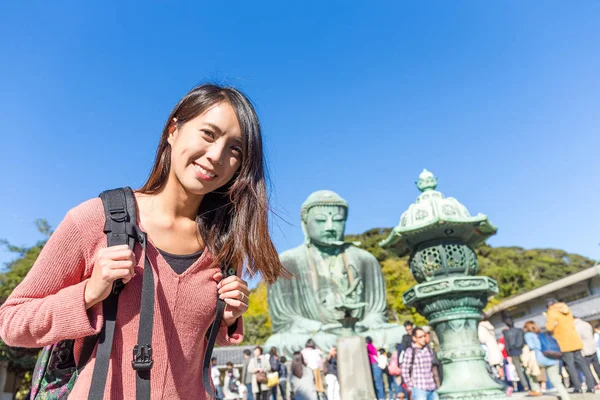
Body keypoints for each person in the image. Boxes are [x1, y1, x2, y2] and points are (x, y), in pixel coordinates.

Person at [0, 84, 285, 399]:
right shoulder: (97, 221)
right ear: (173, 130)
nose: (216, 156)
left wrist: (227, 317)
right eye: (208, 134)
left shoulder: (224, 247)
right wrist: (88, 293)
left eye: (235, 150)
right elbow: (12, 322)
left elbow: (184, 348)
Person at [545, 298, 595, 393]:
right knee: (583, 364)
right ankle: (591, 386)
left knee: (570, 366)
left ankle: (578, 387)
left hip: (564, 343)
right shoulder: (566, 309)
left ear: (549, 305)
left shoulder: (551, 312)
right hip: (575, 340)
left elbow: (549, 327)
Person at [524, 321, 570, 400]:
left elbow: (532, 346)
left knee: (529, 371)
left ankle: (536, 389)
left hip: (540, 358)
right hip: (553, 358)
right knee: (556, 380)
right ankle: (565, 397)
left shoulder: (528, 335)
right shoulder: (542, 334)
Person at [401, 327, 438, 400]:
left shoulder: (428, 350)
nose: (423, 338)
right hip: (419, 388)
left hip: (432, 387)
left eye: (424, 336)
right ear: (414, 338)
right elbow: (404, 370)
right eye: (420, 337)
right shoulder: (410, 352)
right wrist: (410, 386)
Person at [502, 317, 530, 392]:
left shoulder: (507, 333)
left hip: (514, 352)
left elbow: (507, 345)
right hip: (523, 350)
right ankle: (532, 383)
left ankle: (525, 386)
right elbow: (524, 341)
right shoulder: (520, 331)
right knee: (528, 367)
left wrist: (509, 354)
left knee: (519, 370)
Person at [574, 317, 600, 390]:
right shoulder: (587, 324)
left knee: (587, 369)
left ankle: (594, 384)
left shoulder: (575, 327)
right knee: (597, 367)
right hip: (592, 348)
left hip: (584, 350)